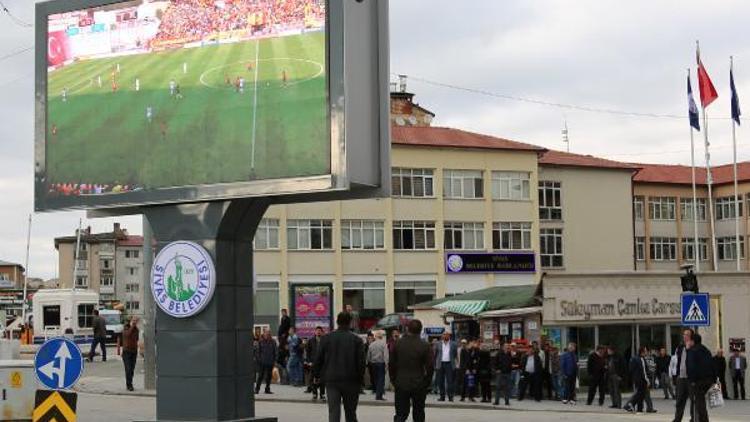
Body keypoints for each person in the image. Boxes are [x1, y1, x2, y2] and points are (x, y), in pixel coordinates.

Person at [313, 312, 365, 422]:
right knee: (351, 412)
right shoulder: (357, 340)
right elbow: (361, 363)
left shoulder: (326, 339)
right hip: (351, 380)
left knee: (333, 412)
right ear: (350, 323)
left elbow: (318, 359)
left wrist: (316, 375)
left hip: (332, 380)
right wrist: (360, 380)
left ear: (337, 322)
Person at [390, 319, 433, 422]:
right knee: (419, 413)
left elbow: (391, 364)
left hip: (401, 382)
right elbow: (430, 366)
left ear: (407, 329)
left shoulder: (397, 344)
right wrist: (426, 383)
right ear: (420, 330)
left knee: (400, 413)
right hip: (419, 383)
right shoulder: (425, 345)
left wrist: (394, 380)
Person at [687, 333, 716, 422]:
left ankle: (703, 420)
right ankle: (701, 419)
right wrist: (714, 379)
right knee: (701, 401)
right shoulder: (706, 350)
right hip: (709, 380)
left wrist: (692, 380)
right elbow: (713, 364)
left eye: (690, 340)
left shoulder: (692, 351)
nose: (689, 342)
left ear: (693, 341)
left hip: (699, 381)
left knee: (700, 403)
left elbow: (691, 367)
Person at [624, 346, 655, 413]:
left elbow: (631, 369)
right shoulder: (641, 359)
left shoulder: (635, 358)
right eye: (646, 351)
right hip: (642, 380)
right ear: (643, 352)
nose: (646, 352)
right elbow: (644, 371)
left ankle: (639, 408)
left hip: (637, 379)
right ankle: (629, 405)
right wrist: (647, 380)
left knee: (641, 394)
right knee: (639, 394)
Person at [673, 328, 695, 422]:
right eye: (684, 334)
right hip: (681, 378)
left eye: (687, 335)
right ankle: (677, 419)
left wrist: (689, 348)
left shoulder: (694, 348)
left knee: (693, 400)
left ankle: (693, 418)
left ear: (691, 337)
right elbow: (677, 362)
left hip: (690, 378)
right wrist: (676, 375)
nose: (684, 336)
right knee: (679, 401)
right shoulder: (680, 347)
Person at [433, 332, 457, 402]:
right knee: (440, 381)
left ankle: (450, 396)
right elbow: (436, 354)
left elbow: (455, 354)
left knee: (450, 381)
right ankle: (442, 396)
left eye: (447, 335)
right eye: (444, 335)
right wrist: (435, 364)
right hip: (440, 364)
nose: (445, 336)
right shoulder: (438, 343)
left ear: (449, 336)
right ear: (442, 336)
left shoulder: (453, 344)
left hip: (449, 364)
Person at [367, 330, 388, 401]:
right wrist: (386, 364)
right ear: (381, 336)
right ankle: (379, 395)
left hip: (373, 364)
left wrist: (369, 362)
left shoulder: (371, 345)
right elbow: (385, 355)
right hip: (381, 363)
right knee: (381, 379)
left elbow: (368, 355)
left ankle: (377, 392)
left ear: (375, 337)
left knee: (375, 379)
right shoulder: (383, 344)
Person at [306, 327, 326, 401]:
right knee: (313, 379)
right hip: (313, 363)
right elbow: (308, 352)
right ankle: (314, 394)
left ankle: (322, 394)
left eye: (320, 331)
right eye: (317, 331)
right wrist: (309, 361)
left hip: (322, 363)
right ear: (315, 332)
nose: (318, 332)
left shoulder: (324, 340)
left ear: (322, 332)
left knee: (322, 379)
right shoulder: (311, 341)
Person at [122, 316, 139, 391]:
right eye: (133, 320)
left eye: (136, 321)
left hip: (134, 351)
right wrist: (132, 326)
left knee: (132, 369)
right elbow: (128, 335)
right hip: (126, 352)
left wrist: (134, 327)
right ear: (130, 321)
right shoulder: (126, 328)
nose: (135, 322)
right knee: (128, 369)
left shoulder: (136, 329)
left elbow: (136, 339)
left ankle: (130, 382)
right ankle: (129, 385)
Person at [606, 345, 626, 409]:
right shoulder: (609, 357)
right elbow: (608, 365)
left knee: (617, 390)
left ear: (612, 350)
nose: (607, 352)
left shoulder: (618, 356)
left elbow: (622, 366)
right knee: (611, 390)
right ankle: (614, 403)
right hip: (610, 375)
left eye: (608, 350)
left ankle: (618, 404)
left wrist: (620, 375)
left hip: (616, 375)